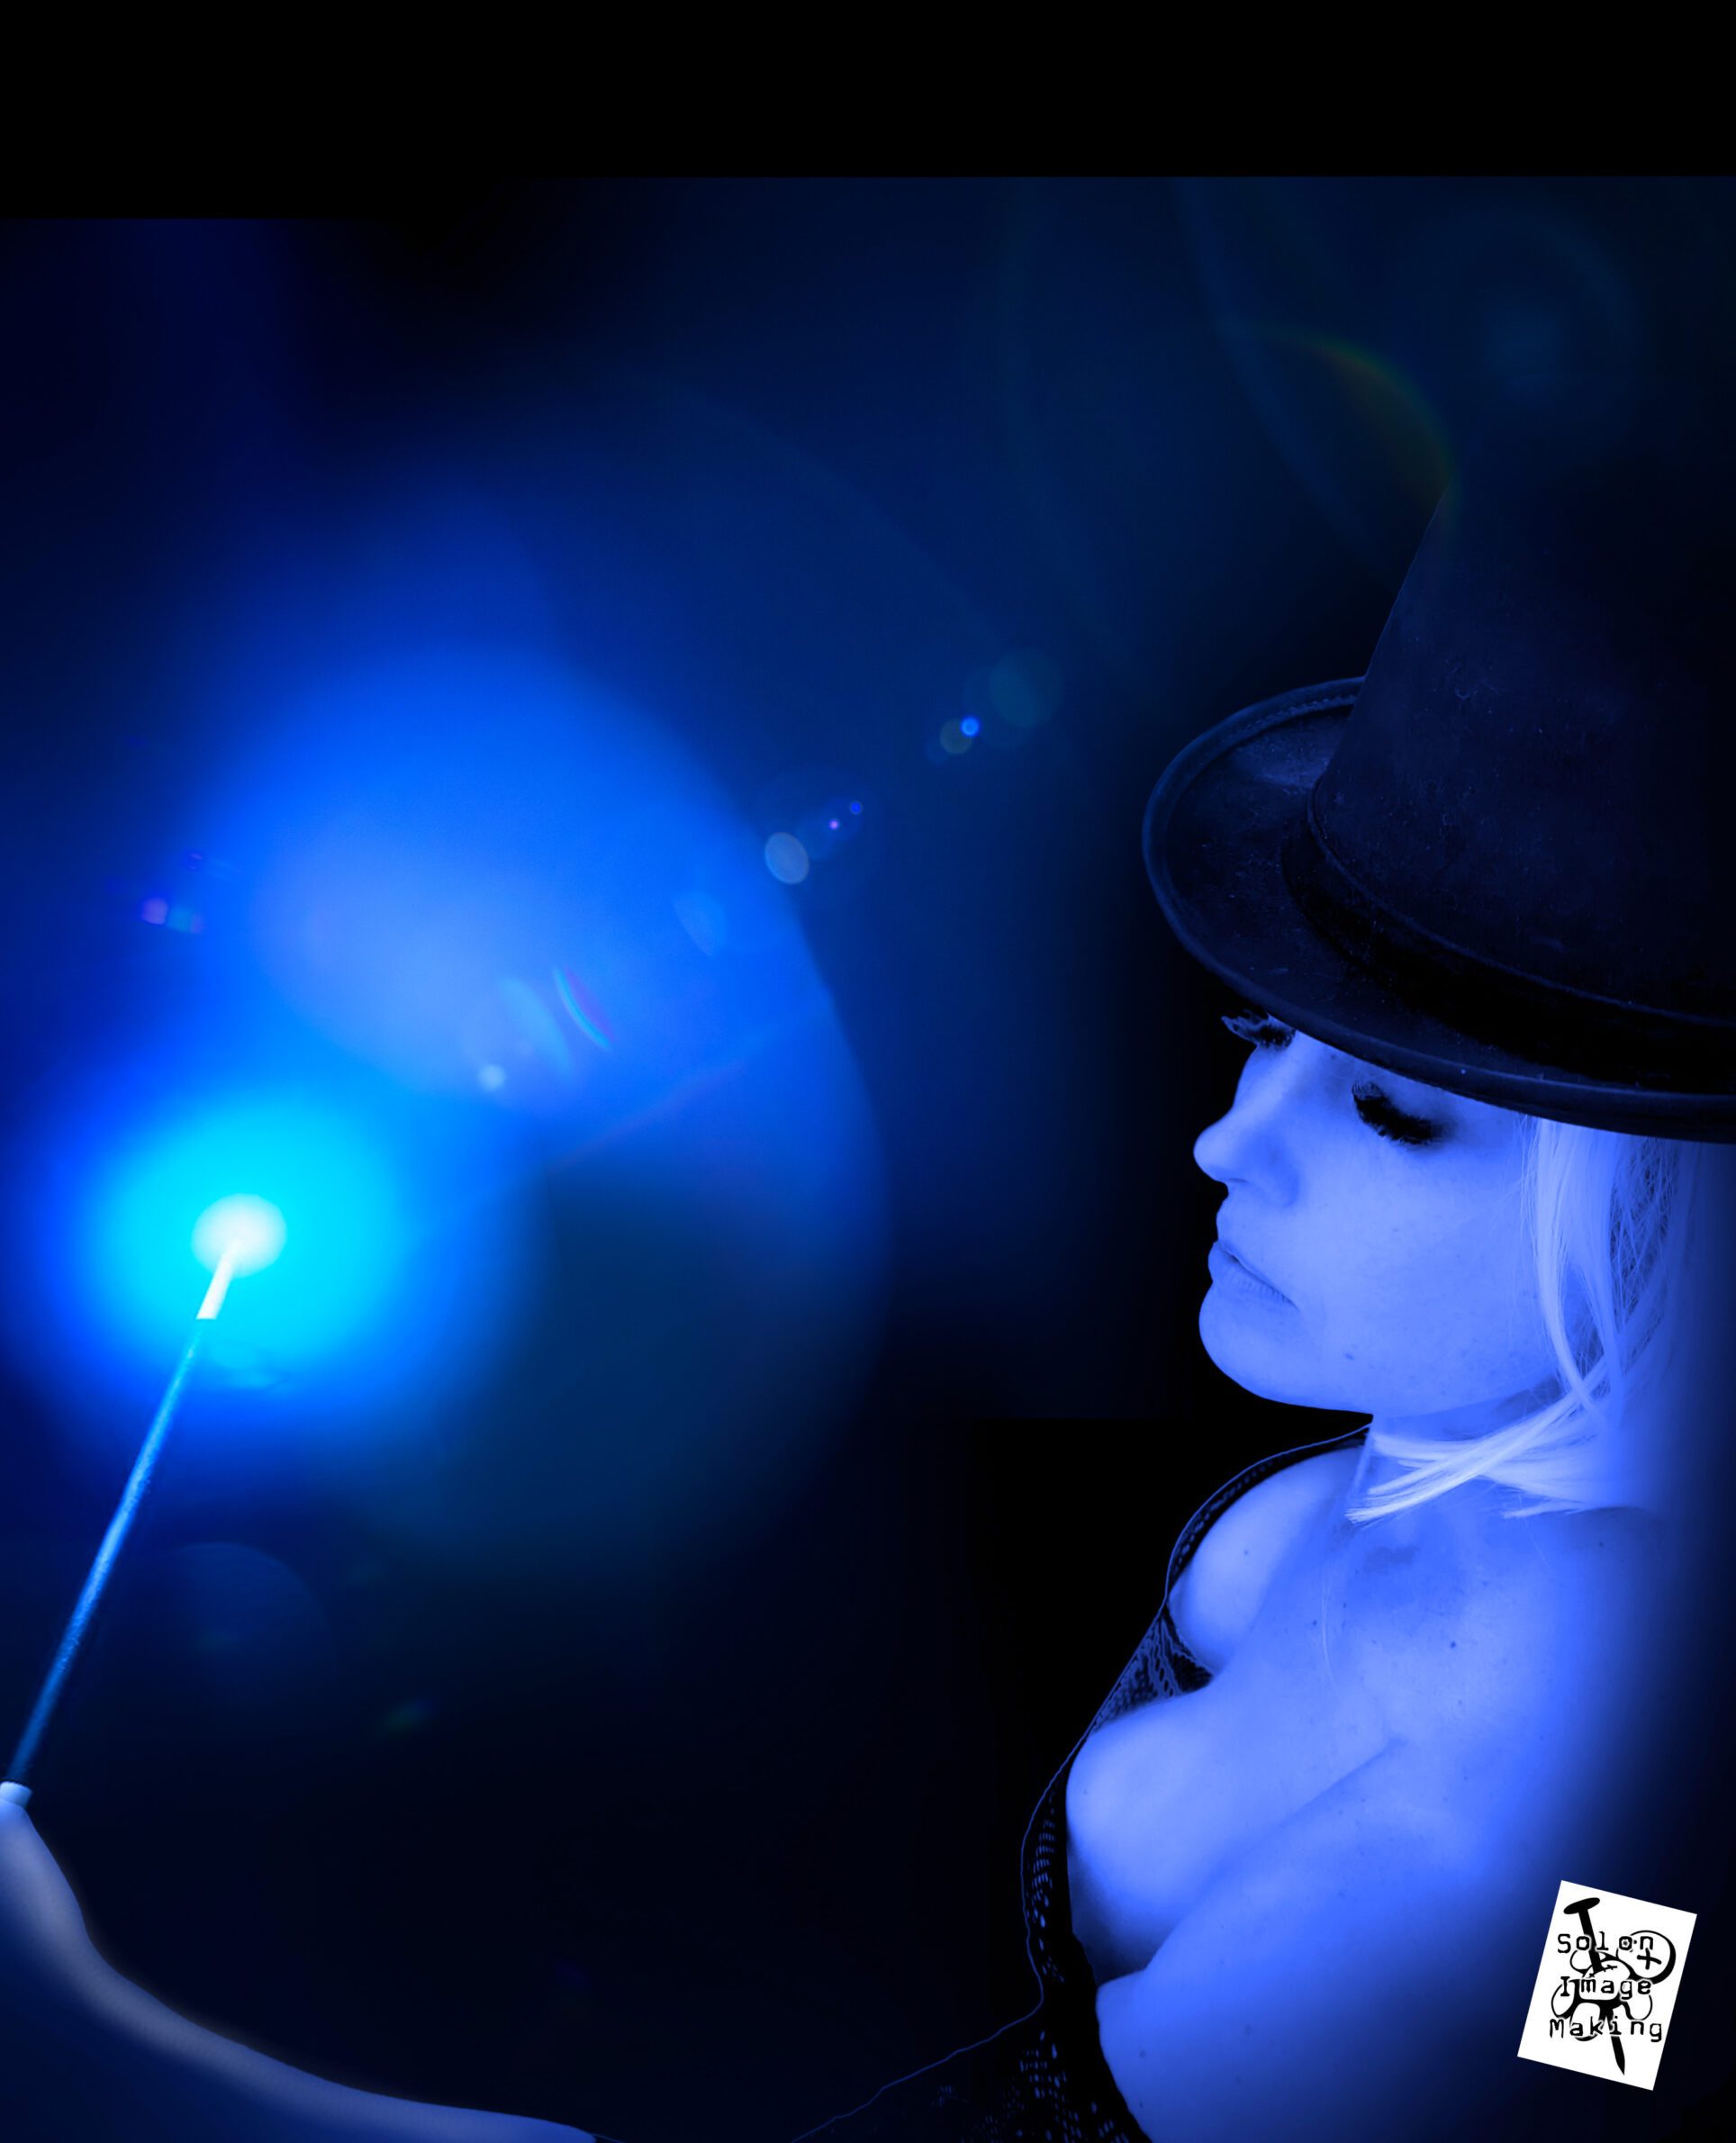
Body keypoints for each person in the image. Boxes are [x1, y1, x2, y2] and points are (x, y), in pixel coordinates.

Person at [5, 375, 1736, 2142]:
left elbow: (1597, 2061)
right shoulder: (1404, 1506)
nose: (1229, 1142)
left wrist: (92, 2047)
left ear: (1655, 1204)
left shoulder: (1599, 1725)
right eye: (1261, 1034)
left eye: (1388, 1113)